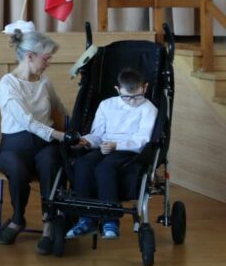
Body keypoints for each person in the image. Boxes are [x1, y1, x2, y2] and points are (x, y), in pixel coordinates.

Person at [0, 28, 67, 254]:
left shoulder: (45, 82)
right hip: (14, 146)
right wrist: (59, 135)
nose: (48, 64)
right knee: (16, 169)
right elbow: (27, 122)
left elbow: (60, 111)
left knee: (50, 162)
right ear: (29, 56)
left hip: (43, 145)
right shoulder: (8, 84)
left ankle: (48, 225)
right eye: (46, 59)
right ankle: (17, 219)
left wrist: (77, 130)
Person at [65, 67, 158, 240]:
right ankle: (86, 218)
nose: (132, 102)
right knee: (83, 164)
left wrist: (117, 145)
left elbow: (143, 139)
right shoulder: (107, 105)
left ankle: (111, 220)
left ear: (144, 88)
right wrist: (87, 141)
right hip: (105, 145)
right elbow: (98, 134)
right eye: (126, 97)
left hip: (129, 150)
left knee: (104, 168)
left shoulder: (148, 109)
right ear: (117, 90)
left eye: (137, 96)